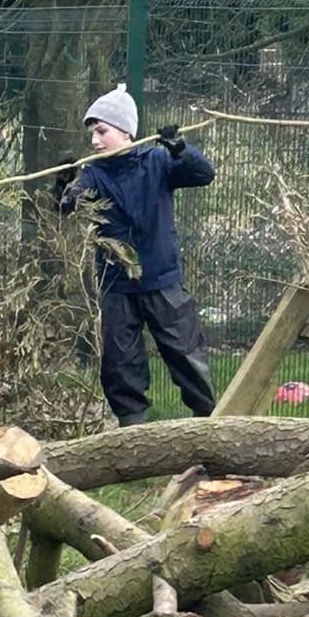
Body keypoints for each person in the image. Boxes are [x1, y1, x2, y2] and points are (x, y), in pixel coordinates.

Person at [57, 84, 217, 427]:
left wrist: (180, 150)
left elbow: (204, 174)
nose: (95, 141)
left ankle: (209, 421)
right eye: (92, 134)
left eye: (102, 131)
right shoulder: (94, 174)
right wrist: (63, 186)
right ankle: (133, 430)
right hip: (117, 286)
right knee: (120, 361)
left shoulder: (157, 161)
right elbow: (68, 206)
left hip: (162, 279)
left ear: (126, 132)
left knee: (185, 352)